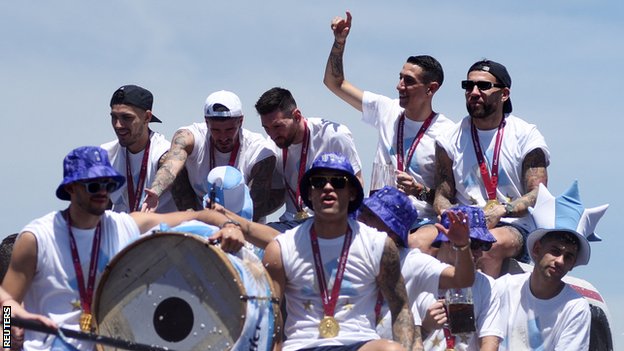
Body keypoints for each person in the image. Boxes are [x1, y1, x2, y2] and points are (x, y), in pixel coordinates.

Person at [1, 146, 251, 350]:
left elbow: (200, 215)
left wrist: (230, 225)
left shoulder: (126, 225)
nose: (102, 192)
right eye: (93, 185)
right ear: (70, 188)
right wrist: (6, 342)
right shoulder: (38, 237)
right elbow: (5, 304)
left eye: (108, 184)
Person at [324, 11, 455, 253]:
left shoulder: (448, 133)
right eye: (400, 78)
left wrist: (418, 190)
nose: (399, 86)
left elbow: (451, 197)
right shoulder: (386, 109)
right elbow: (335, 83)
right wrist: (339, 42)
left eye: (409, 81)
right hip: (377, 211)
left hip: (419, 220)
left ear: (431, 89)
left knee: (411, 245)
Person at [262, 153, 419, 351]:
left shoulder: (379, 245)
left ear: (352, 192)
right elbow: (269, 315)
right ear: (309, 193)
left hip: (359, 343)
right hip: (302, 345)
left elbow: (401, 307)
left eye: (338, 182)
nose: (328, 188)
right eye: (319, 182)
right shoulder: (280, 248)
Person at [434, 59, 550, 277]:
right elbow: (442, 194)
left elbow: (539, 194)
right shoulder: (448, 138)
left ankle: (483, 310)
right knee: (423, 243)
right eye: (468, 86)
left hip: (513, 224)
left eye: (483, 86)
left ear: (504, 94)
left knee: (487, 246)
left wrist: (502, 210)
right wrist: (450, 213)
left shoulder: (525, 135)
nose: (474, 92)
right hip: (466, 222)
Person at [496, 182, 608, 350]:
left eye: (569, 256)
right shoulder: (504, 288)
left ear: (573, 264)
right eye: (555, 251)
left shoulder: (575, 308)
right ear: (536, 249)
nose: (560, 261)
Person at [355, 187, 475, 341]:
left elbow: (462, 279)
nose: (360, 218)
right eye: (362, 212)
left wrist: (462, 246)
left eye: (370, 216)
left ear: (392, 231)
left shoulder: (412, 262)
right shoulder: (347, 251)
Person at [145, 90, 278, 221]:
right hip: (199, 220)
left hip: (244, 223)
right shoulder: (190, 135)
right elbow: (172, 162)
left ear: (241, 121)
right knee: (171, 159)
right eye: (215, 130)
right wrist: (156, 191)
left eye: (229, 130)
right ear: (206, 122)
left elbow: (256, 208)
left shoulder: (259, 150)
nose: (223, 137)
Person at [255, 87, 363, 230]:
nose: (272, 134)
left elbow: (357, 182)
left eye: (277, 126)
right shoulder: (271, 147)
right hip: (290, 224)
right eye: (266, 128)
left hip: (329, 221)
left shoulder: (334, 136)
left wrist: (348, 228)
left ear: (297, 116)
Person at [418, 205, 503, 351]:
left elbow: (490, 342)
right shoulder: (418, 274)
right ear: (447, 239)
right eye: (473, 243)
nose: (479, 253)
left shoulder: (487, 284)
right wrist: (425, 328)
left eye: (483, 245)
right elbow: (395, 339)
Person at [101, 84, 178, 213]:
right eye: (114, 117)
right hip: (122, 231)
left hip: (161, 231)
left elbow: (189, 212)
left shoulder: (164, 155)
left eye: (127, 118)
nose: (118, 125)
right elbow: (98, 211)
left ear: (147, 117)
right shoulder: (105, 155)